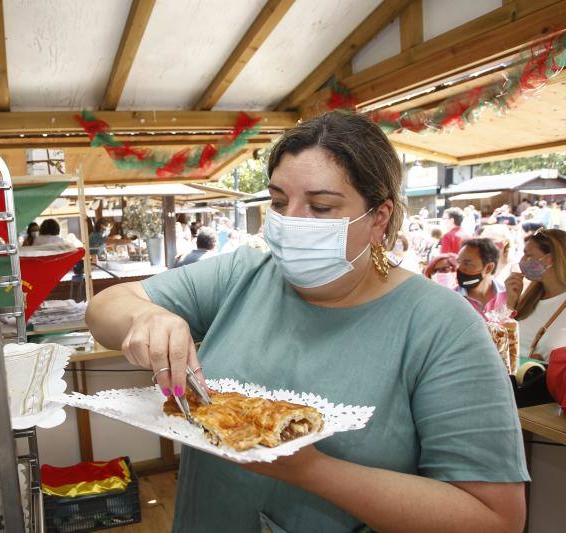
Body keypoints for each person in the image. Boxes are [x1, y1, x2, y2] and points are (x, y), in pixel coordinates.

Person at [86, 111, 526, 532]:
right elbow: (106, 309)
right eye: (279, 202)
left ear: (379, 218)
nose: (290, 223)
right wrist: (147, 317)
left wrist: (311, 469)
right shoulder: (245, 274)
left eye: (319, 208)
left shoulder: (442, 326)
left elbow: (494, 518)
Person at [506, 228, 566, 361]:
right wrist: (510, 303)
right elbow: (502, 340)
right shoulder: (530, 297)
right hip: (515, 378)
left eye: (528, 255)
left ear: (549, 259)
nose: (522, 261)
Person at [456, 238, 506, 316]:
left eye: (467, 264)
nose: (459, 269)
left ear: (488, 268)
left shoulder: (507, 297)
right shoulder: (453, 298)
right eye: (459, 262)